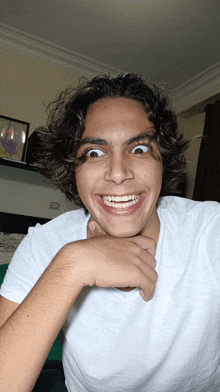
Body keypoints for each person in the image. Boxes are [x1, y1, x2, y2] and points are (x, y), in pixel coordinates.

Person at [0, 73, 220, 392]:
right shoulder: (44, 244)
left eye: (140, 149)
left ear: (163, 161)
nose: (118, 173)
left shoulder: (210, 231)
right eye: (94, 152)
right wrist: (72, 265)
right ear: (73, 168)